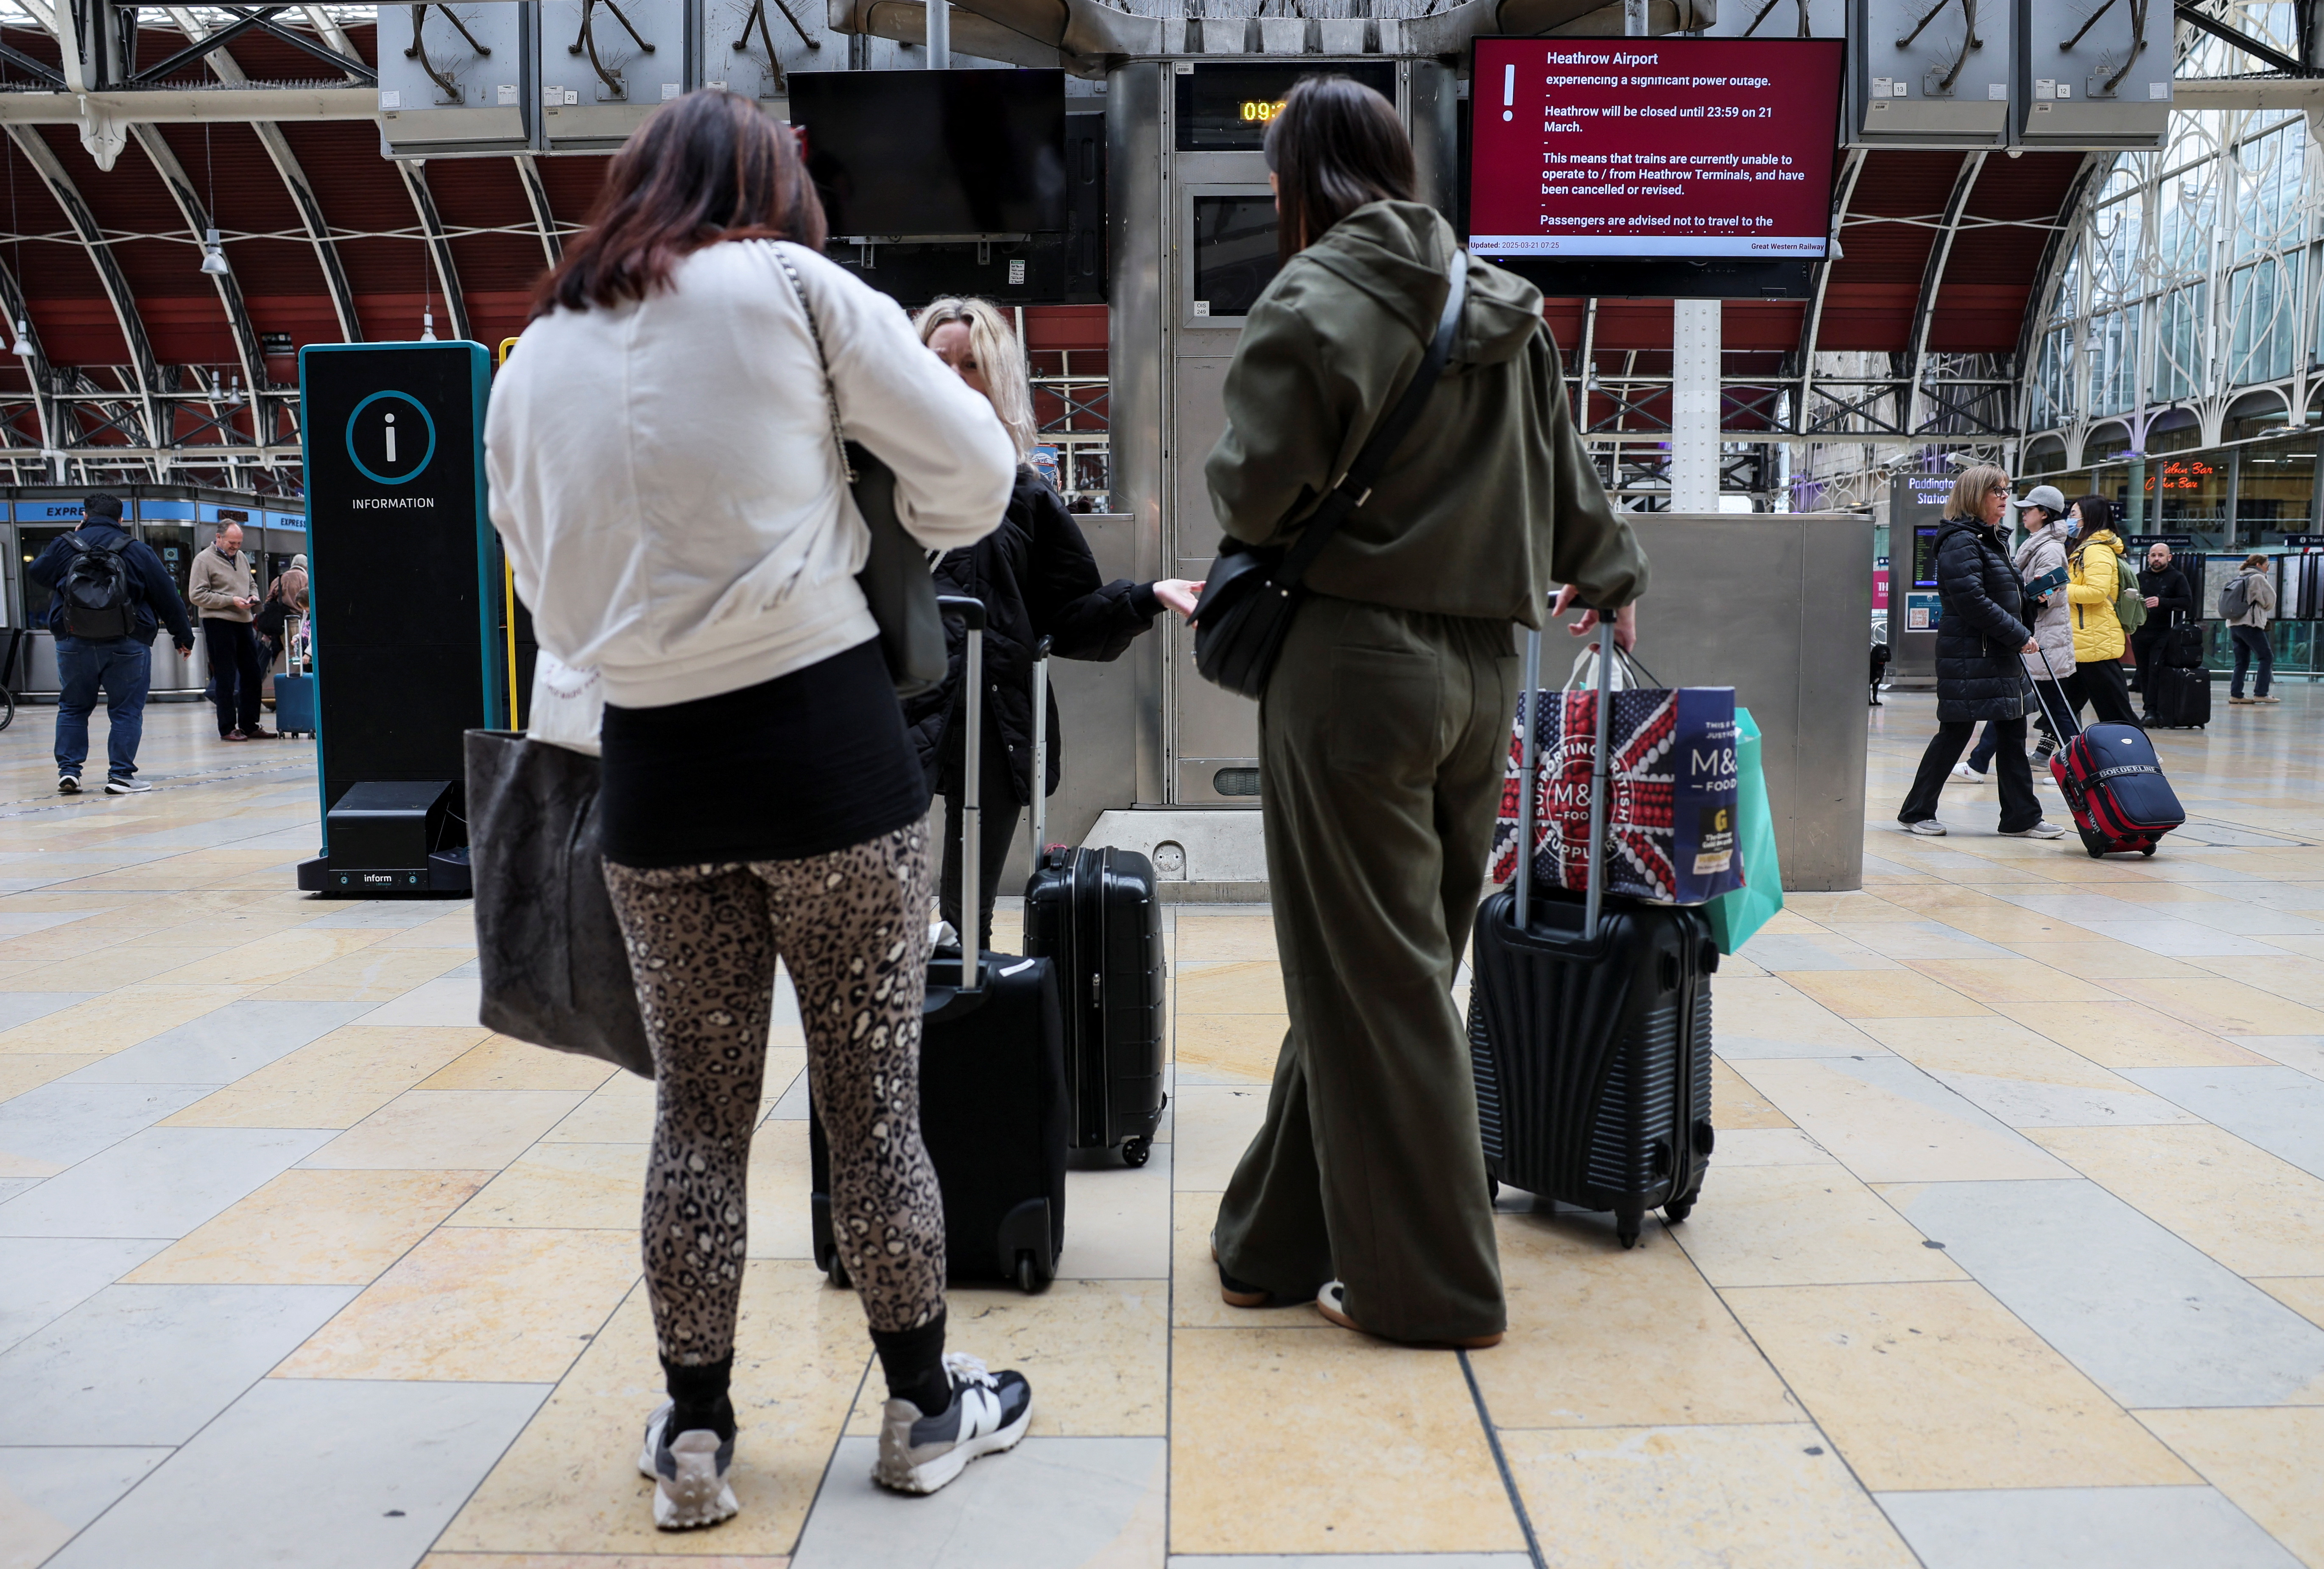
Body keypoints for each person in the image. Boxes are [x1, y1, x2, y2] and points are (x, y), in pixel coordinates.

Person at [484, 90, 1029, 1525]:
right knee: (874, 1108)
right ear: (764, 189)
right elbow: (977, 466)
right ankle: (921, 1406)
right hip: (825, 754)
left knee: (699, 1121)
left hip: (652, 779)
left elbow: (544, 587)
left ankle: (696, 1437)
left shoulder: (532, 355)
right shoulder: (788, 284)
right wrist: (896, 526)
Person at [1203, 75, 1648, 1351]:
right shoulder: (1501, 303)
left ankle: (1433, 1290)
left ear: (1293, 181)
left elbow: (1249, 492)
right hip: (1480, 676)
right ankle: (1268, 1243)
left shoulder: (1310, 295)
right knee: (1385, 967)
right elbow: (1571, 491)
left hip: (1351, 668)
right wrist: (1612, 577)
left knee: (1377, 978)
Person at [905, 296, 1201, 949]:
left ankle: (964, 1035)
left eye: (974, 364)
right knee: (873, 905)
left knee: (964, 925)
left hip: (993, 719)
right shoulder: (879, 482)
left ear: (1000, 376)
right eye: (940, 363)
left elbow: (1066, 618)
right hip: (892, 709)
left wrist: (1149, 595)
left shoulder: (1024, 496)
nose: (956, 379)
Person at [1896, 465, 2065, 840]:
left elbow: (1999, 594)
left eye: (2006, 490)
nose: (2005, 497)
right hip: (1972, 654)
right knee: (1955, 733)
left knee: (2012, 734)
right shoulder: (1961, 541)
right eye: (1996, 491)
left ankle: (2021, 817)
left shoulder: (1991, 539)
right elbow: (1971, 600)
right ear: (1975, 495)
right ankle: (1916, 811)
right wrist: (2018, 634)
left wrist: (2029, 602)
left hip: (1996, 652)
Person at [25, 493, 194, 795]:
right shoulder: (137, 550)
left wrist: (73, 546)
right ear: (121, 520)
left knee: (73, 707)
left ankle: (70, 772)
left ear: (85, 516)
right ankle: (120, 776)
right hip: (128, 643)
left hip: (74, 639)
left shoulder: (66, 545)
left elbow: (38, 573)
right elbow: (168, 596)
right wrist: (183, 637)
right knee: (126, 710)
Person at [1961, 484, 2077, 776]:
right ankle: (1978, 763)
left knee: (2055, 709)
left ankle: (2080, 769)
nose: (2024, 514)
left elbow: (2050, 596)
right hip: (2034, 636)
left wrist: (2025, 597)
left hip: (2042, 638)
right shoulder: (2038, 543)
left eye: (2029, 509)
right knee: (2014, 705)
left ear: (2045, 514)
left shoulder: (2049, 548)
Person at [189, 521, 274, 741]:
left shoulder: (242, 558)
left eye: (239, 543)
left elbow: (252, 583)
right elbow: (197, 595)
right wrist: (230, 601)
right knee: (225, 676)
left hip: (244, 621)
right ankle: (227, 728)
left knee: (253, 674)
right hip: (219, 622)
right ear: (219, 538)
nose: (235, 547)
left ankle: (249, 724)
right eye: (231, 543)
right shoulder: (203, 560)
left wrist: (253, 598)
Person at [2062, 494, 2141, 727]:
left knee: (2116, 712)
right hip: (2084, 641)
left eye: (2074, 515)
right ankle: (2057, 755)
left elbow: (2096, 592)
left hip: (2096, 642)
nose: (2070, 519)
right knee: (2062, 708)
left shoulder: (2096, 551)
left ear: (2089, 518)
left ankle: (2144, 758)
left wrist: (2060, 590)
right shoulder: (2084, 549)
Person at [2129, 540, 2193, 722]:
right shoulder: (2140, 577)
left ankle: (2154, 711)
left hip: (2164, 633)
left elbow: (2186, 602)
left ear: (2169, 557)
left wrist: (2162, 602)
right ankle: (2149, 710)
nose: (2157, 559)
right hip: (2140, 632)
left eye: (2161, 555)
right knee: (2143, 672)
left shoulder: (2177, 577)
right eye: (2153, 555)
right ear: (2148, 557)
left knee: (2156, 670)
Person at [2225, 553, 2278, 704]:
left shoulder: (2239, 577)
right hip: (2250, 624)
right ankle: (2261, 693)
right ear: (2259, 565)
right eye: (2267, 565)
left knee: (2242, 661)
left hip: (2234, 625)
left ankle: (2236, 695)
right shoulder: (2258, 578)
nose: (2268, 569)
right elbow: (2271, 600)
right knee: (2266, 657)